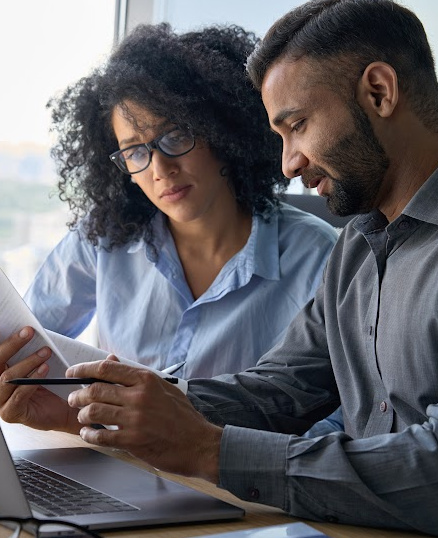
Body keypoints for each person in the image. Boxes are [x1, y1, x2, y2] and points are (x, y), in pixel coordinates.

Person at [10, 0, 438, 533]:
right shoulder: (359, 246)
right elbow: (282, 388)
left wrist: (211, 451)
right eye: (279, 137)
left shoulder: (326, 246)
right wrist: (106, 412)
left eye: (298, 125)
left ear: (380, 92)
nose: (288, 162)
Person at [22, 23, 337, 380]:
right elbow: (26, 339)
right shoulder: (103, 238)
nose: (159, 168)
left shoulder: (319, 258)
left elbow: (339, 418)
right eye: (134, 151)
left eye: (174, 136)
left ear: (223, 133)